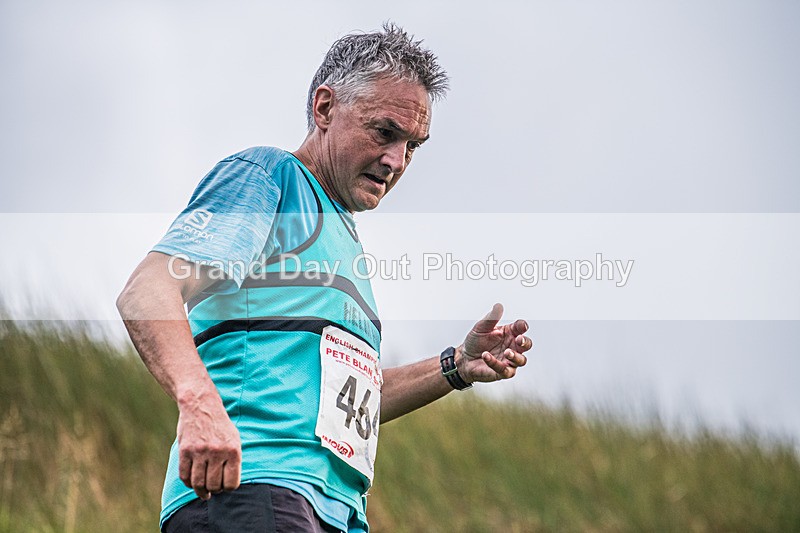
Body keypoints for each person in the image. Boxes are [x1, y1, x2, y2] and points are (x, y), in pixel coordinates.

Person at [117, 23, 532, 533]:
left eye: (412, 146)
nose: (396, 161)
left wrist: (456, 367)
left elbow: (345, 405)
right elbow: (147, 290)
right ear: (325, 108)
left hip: (332, 511)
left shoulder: (347, 242)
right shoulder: (269, 177)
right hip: (252, 486)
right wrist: (198, 405)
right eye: (384, 133)